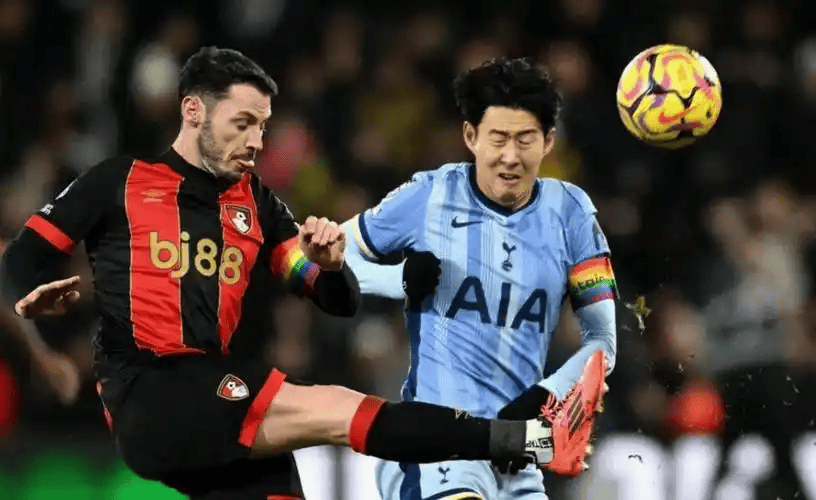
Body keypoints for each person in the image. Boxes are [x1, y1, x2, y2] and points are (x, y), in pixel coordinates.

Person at [0, 47, 556, 500]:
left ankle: (518, 440)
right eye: (242, 123)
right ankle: (520, 439)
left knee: (280, 482)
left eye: (262, 127)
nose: (256, 142)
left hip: (210, 404)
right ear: (193, 111)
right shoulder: (118, 182)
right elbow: (20, 259)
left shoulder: (258, 205)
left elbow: (334, 298)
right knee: (339, 410)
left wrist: (330, 267)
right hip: (151, 394)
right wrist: (36, 306)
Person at [343, 57, 618, 499]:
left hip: (516, 453)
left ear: (548, 141)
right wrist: (397, 280)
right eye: (498, 139)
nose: (510, 156)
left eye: (525, 139)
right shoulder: (430, 195)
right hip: (435, 450)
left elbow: (603, 341)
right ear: (471, 136)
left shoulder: (572, 214)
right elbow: (322, 257)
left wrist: (545, 395)